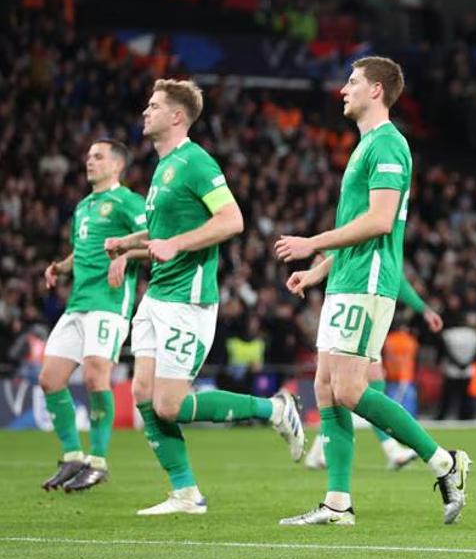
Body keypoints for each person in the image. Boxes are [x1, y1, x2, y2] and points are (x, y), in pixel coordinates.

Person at [276, 56, 469, 527]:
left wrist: (312, 243)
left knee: (348, 387)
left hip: (368, 281)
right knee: (326, 385)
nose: (344, 89)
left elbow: (380, 222)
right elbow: (357, 227)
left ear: (377, 90)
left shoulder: (387, 144)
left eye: (353, 81)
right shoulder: (365, 145)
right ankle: (338, 503)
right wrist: (320, 270)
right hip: (346, 278)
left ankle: (444, 461)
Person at [106, 79, 305, 516]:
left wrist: (175, 246)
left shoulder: (196, 162)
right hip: (157, 295)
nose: (145, 111)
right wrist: (131, 242)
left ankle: (272, 409)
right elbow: (164, 234)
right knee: (142, 391)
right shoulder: (163, 167)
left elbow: (232, 220)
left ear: (177, 116)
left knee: (169, 404)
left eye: (154, 105)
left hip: (188, 299)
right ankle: (185, 493)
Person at [38, 139, 146, 492]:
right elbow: (81, 251)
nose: (89, 162)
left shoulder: (128, 202)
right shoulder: (84, 206)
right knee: (50, 379)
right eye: (87, 157)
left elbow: (157, 241)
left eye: (98, 157)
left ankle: (97, 461)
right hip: (78, 303)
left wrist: (125, 255)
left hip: (109, 303)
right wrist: (59, 267)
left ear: (117, 165)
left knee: (96, 377)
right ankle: (72, 456)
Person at [304, 294, 442, 470]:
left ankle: (321, 452)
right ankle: (394, 450)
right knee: (343, 388)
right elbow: (397, 279)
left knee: (351, 388)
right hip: (356, 307)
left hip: (369, 310)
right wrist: (423, 308)